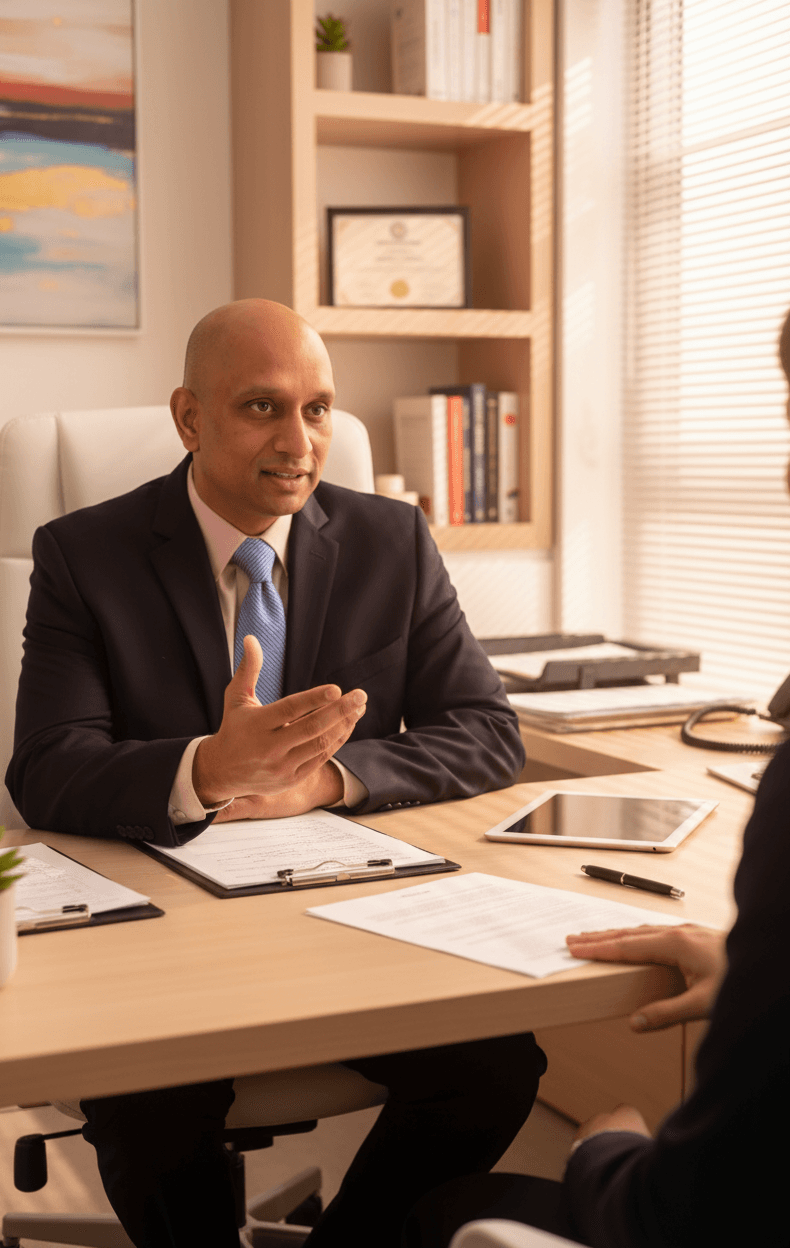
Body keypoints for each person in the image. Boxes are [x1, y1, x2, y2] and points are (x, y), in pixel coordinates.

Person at [5, 299, 545, 1248]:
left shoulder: (392, 540)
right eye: (262, 407)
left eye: (319, 409)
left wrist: (326, 783)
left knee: (495, 1067)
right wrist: (205, 770)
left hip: (348, 911)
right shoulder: (85, 554)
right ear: (189, 418)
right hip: (164, 930)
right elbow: (48, 770)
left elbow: (486, 730)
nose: (300, 441)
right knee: (152, 1100)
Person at [402, 308, 790, 1248]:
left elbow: (696, 1211)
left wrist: (600, 1148)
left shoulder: (386, 538)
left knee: (448, 1210)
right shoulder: (87, 552)